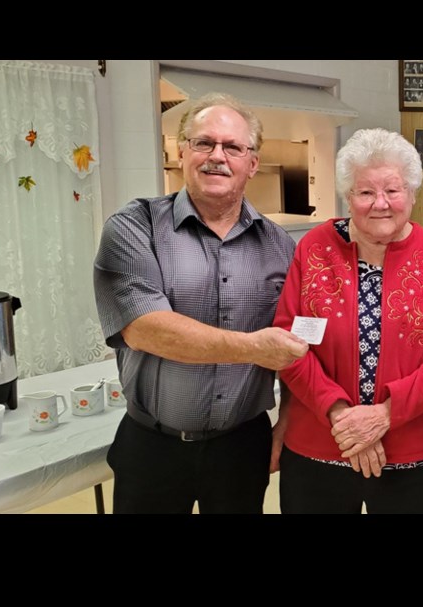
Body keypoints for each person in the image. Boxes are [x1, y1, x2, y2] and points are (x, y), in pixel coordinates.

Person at [93, 92, 308, 513]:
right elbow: (144, 328)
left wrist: (288, 419)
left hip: (242, 448)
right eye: (203, 143)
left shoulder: (281, 246)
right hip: (153, 447)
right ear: (181, 151)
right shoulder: (134, 228)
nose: (217, 156)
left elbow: (297, 341)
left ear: (252, 163)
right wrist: (253, 348)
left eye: (232, 147)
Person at [271, 128, 423, 514]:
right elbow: (288, 342)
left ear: (412, 194)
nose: (381, 203)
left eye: (393, 191)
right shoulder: (314, 248)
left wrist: (383, 416)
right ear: (348, 196)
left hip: (411, 451)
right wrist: (340, 415)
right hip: (321, 443)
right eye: (365, 192)